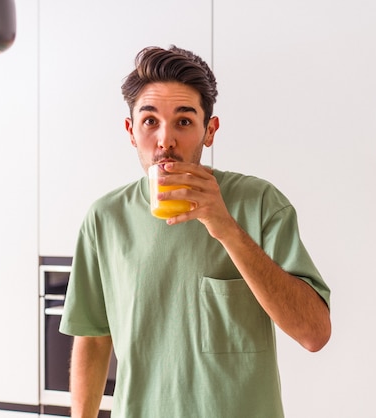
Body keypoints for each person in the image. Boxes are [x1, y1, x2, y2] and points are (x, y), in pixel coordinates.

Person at [59, 45, 331, 418]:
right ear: (131, 131)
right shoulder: (104, 218)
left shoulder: (261, 202)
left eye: (184, 121)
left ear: (209, 130)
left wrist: (227, 229)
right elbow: (92, 336)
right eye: (150, 121)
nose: (165, 140)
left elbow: (314, 334)